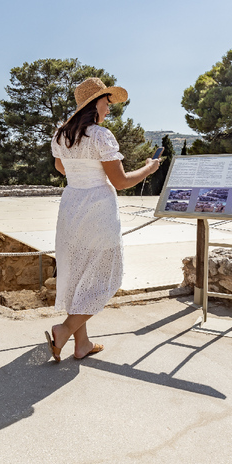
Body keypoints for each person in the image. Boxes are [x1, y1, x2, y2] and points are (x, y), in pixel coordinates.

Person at [45, 77, 160, 362]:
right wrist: (149, 168)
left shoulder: (61, 136)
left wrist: (82, 171)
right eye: (106, 103)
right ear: (94, 103)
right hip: (98, 210)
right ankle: (65, 330)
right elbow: (120, 182)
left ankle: (82, 344)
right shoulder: (100, 136)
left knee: (79, 275)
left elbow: (62, 169)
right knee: (107, 277)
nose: (108, 110)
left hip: (71, 208)